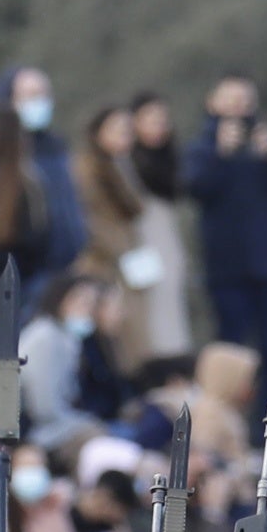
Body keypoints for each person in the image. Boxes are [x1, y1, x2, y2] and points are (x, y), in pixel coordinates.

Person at [185, 78, 267, 413]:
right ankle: (226, 422)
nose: (239, 106)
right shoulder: (202, 148)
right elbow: (196, 188)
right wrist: (220, 154)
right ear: (213, 102)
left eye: (245, 99)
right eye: (231, 98)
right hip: (227, 269)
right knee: (230, 351)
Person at [0, 67, 81, 339]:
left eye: (43, 94)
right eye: (30, 95)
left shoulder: (57, 152)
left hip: (52, 279)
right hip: (13, 281)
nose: (39, 102)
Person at [77, 103, 196, 380]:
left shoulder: (122, 167)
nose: (124, 137)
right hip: (106, 265)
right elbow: (93, 220)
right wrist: (122, 252)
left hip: (130, 263)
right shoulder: (87, 170)